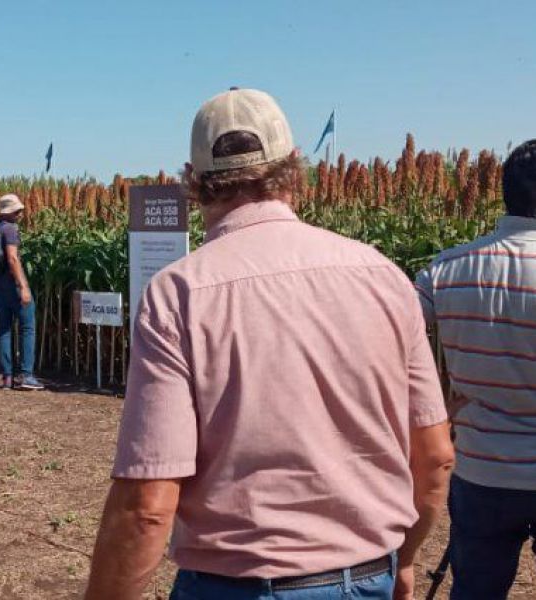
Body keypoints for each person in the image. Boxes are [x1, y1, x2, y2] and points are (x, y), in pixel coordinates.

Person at [84, 88, 455, 600]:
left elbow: (148, 503)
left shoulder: (178, 293)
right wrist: (405, 558)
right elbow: (435, 457)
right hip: (371, 577)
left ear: (193, 180)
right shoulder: (384, 276)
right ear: (294, 166)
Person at [415, 140, 536, 600]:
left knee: (477, 590)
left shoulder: (447, 269)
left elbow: (387, 337)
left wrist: (436, 404)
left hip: (483, 470)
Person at [0, 193, 44, 390]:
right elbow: (12, 258)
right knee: (27, 328)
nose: (20, 214)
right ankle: (27, 376)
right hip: (13, 287)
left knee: (4, 330)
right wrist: (23, 286)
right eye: (18, 210)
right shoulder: (9, 229)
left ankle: (7, 378)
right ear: (10, 211)